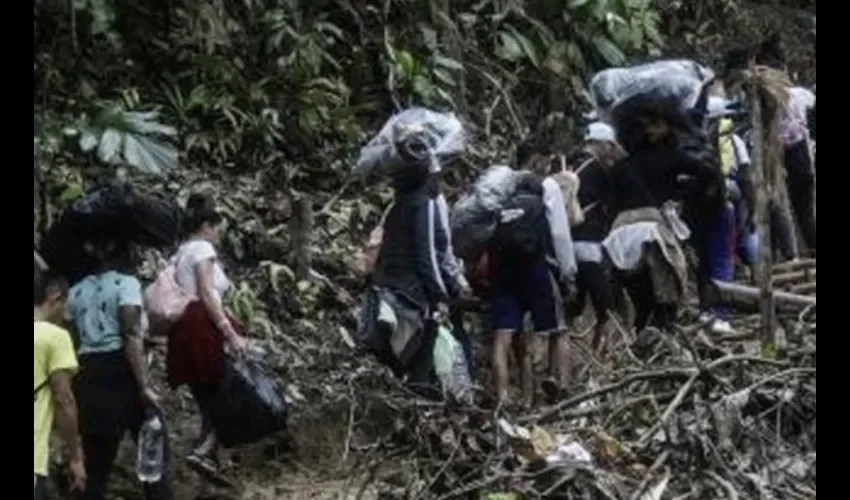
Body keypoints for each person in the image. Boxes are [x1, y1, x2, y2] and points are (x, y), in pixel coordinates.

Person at [65, 240, 173, 500]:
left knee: (98, 463)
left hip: (88, 371)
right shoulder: (127, 284)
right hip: (122, 369)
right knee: (154, 453)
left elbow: (73, 335)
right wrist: (144, 386)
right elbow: (131, 333)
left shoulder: (76, 291)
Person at [605, 105, 722, 332]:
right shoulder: (672, 157)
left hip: (620, 239)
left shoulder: (620, 167)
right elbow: (709, 174)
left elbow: (611, 204)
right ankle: (667, 343)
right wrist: (684, 193)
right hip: (654, 236)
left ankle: (642, 346)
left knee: (640, 305)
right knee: (665, 301)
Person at [488, 130, 577, 406]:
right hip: (537, 265)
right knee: (556, 330)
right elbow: (560, 233)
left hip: (503, 267)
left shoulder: (499, 186)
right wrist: (568, 272)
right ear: (536, 160)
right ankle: (559, 390)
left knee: (503, 336)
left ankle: (503, 396)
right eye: (547, 161)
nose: (548, 167)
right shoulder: (545, 185)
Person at [164, 193, 247, 481]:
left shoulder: (180, 251)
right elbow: (207, 292)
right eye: (218, 226)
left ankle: (209, 461)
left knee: (207, 397)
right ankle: (204, 452)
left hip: (183, 329)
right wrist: (227, 330)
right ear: (207, 226)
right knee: (231, 387)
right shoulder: (202, 249)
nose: (220, 232)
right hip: (202, 326)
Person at [369, 133, 453, 398]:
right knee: (427, 338)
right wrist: (440, 295)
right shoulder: (424, 204)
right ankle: (419, 394)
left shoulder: (398, 204)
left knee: (390, 359)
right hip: (410, 289)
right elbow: (425, 255)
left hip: (384, 284)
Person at [564, 122, 627, 350]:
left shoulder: (565, 165)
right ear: (601, 144)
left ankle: (562, 361)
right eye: (609, 145)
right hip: (589, 246)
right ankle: (599, 360)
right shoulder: (599, 170)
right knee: (606, 309)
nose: (611, 150)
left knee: (571, 307)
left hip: (563, 247)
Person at [34, 271, 85, 500]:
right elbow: (63, 399)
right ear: (54, 296)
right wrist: (74, 457)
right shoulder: (55, 337)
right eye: (65, 302)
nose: (66, 312)